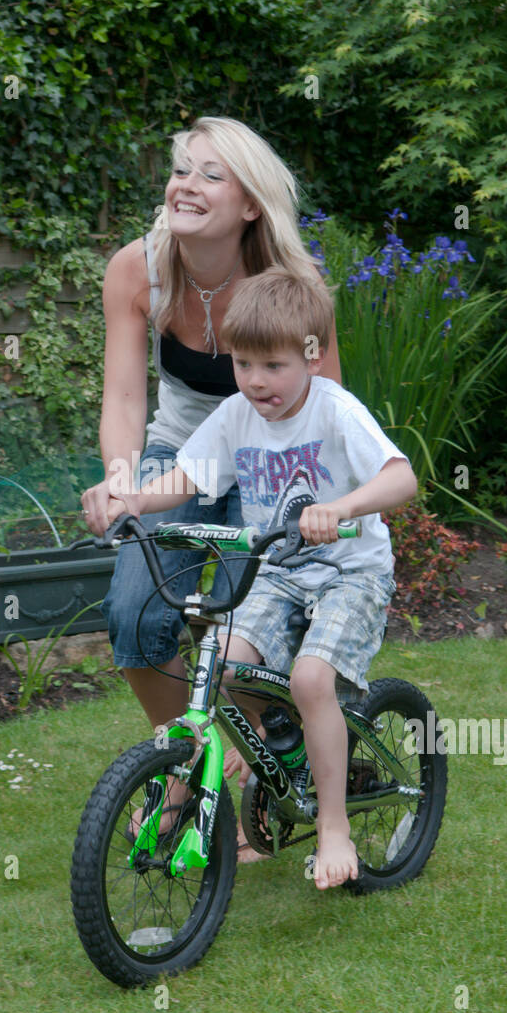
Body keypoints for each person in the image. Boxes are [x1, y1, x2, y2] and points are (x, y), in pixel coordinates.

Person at [96, 266, 418, 890]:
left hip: (350, 574)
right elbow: (189, 477)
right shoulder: (237, 415)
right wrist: (134, 499)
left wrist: (343, 508)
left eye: (272, 366)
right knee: (226, 664)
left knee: (310, 680)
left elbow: (400, 477)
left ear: (312, 356)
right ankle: (286, 755)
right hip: (282, 571)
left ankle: (332, 825)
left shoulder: (335, 410)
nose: (256, 382)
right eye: (244, 365)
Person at [81, 117, 342, 745]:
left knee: (244, 631)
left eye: (210, 174)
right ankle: (185, 756)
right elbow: (122, 395)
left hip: (273, 458)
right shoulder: (136, 270)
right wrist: (122, 481)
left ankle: (261, 759)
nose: (186, 185)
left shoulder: (292, 284)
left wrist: (327, 502)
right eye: (180, 170)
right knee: (134, 613)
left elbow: (328, 406)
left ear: (251, 203)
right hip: (183, 451)